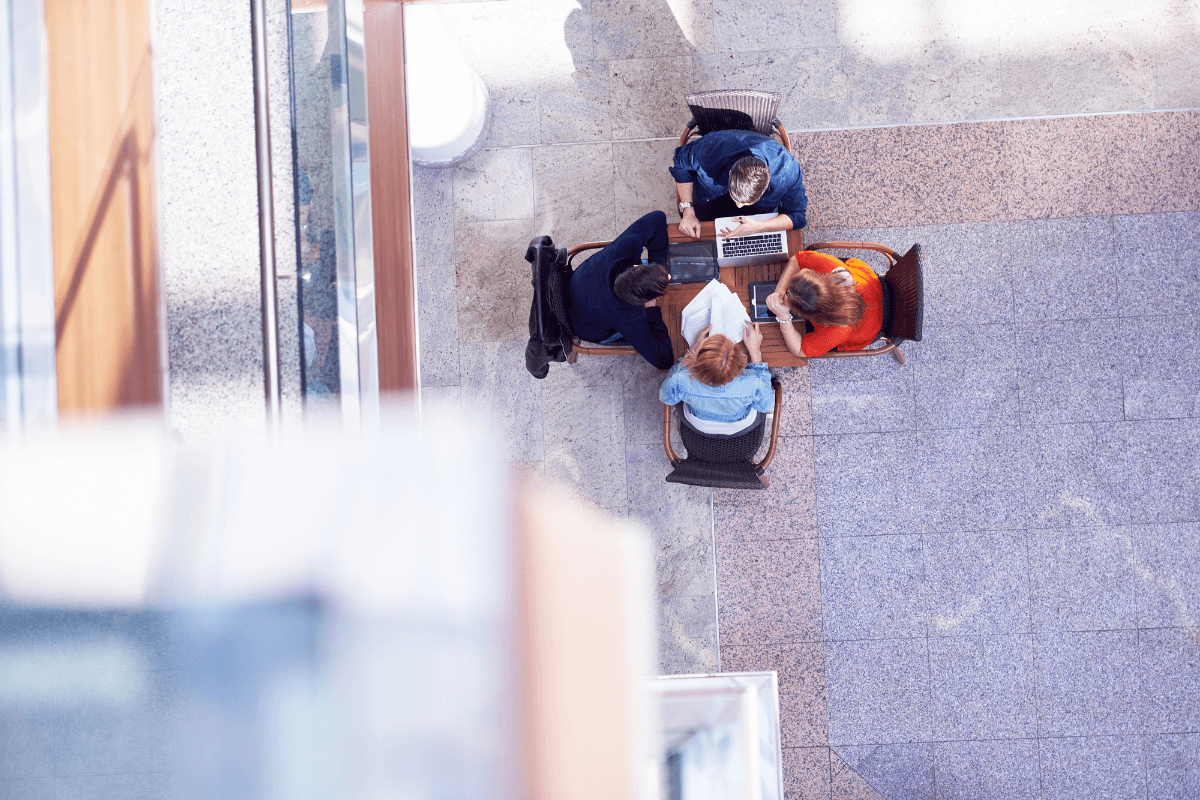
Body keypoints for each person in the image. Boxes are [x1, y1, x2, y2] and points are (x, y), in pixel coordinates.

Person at [568, 210, 675, 370]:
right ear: (642, 302)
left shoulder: (626, 249)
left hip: (582, 285)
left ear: (636, 267)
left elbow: (658, 217)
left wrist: (658, 268)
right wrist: (651, 309)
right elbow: (664, 360)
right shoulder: (628, 315)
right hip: (588, 327)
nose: (670, 277)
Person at [670, 129, 807, 239]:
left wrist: (759, 227)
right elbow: (680, 163)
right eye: (737, 199)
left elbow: (797, 215)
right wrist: (688, 211)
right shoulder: (710, 147)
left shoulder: (787, 170)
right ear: (730, 173)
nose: (739, 206)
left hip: (759, 218)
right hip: (709, 200)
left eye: (745, 203)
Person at [658, 322, 774, 435]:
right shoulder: (753, 384)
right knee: (766, 377)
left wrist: (691, 350)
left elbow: (666, 398)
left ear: (697, 362)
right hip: (738, 423)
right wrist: (755, 352)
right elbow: (766, 406)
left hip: (699, 423)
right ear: (738, 366)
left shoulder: (681, 379)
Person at [764, 250, 884, 358]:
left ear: (814, 318)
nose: (785, 293)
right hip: (873, 286)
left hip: (871, 328)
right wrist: (779, 291)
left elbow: (800, 350)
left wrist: (784, 318)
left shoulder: (836, 331)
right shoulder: (834, 268)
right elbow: (797, 259)